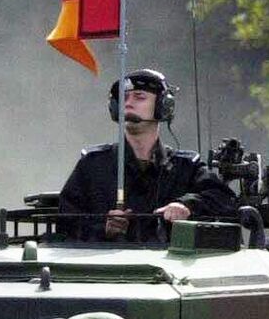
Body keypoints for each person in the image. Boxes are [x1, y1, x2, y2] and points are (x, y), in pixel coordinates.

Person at [57, 69, 236, 241]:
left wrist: (187, 205)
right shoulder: (93, 165)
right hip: (105, 267)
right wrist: (103, 228)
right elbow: (65, 222)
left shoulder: (185, 167)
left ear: (163, 106)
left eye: (139, 97)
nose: (128, 103)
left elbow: (224, 199)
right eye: (124, 98)